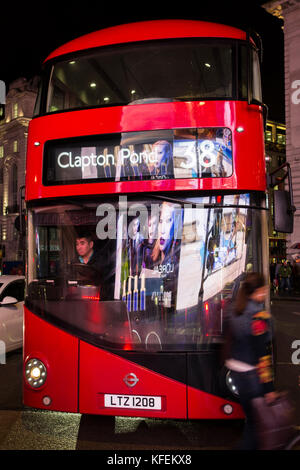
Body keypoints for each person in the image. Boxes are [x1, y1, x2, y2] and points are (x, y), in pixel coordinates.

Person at [225, 272, 278, 450]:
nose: (265, 293)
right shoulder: (258, 317)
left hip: (237, 374)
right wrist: (269, 388)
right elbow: (261, 355)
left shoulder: (235, 310)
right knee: (256, 427)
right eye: (264, 289)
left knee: (252, 423)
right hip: (252, 377)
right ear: (259, 291)